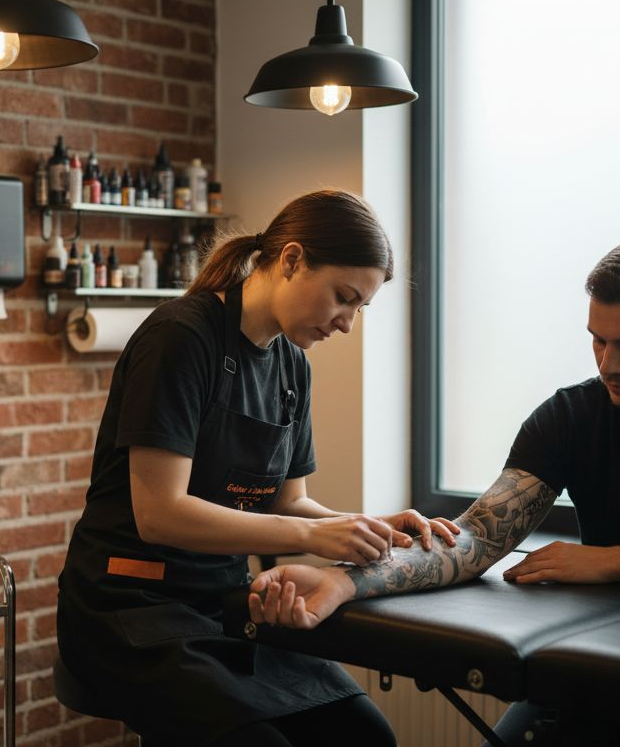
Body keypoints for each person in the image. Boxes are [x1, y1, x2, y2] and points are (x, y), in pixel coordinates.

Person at [247, 237, 620, 746]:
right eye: (598, 340)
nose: (609, 364)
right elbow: (474, 538)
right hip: (608, 666)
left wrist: (607, 563)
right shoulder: (570, 415)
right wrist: (345, 580)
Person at [56, 190, 457, 747]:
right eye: (344, 298)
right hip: (127, 606)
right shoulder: (182, 337)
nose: (346, 324)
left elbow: (289, 502)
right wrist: (315, 534)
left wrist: (373, 527)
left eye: (360, 308)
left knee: (365, 736)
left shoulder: (293, 368)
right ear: (291, 260)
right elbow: (159, 514)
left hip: (222, 603)